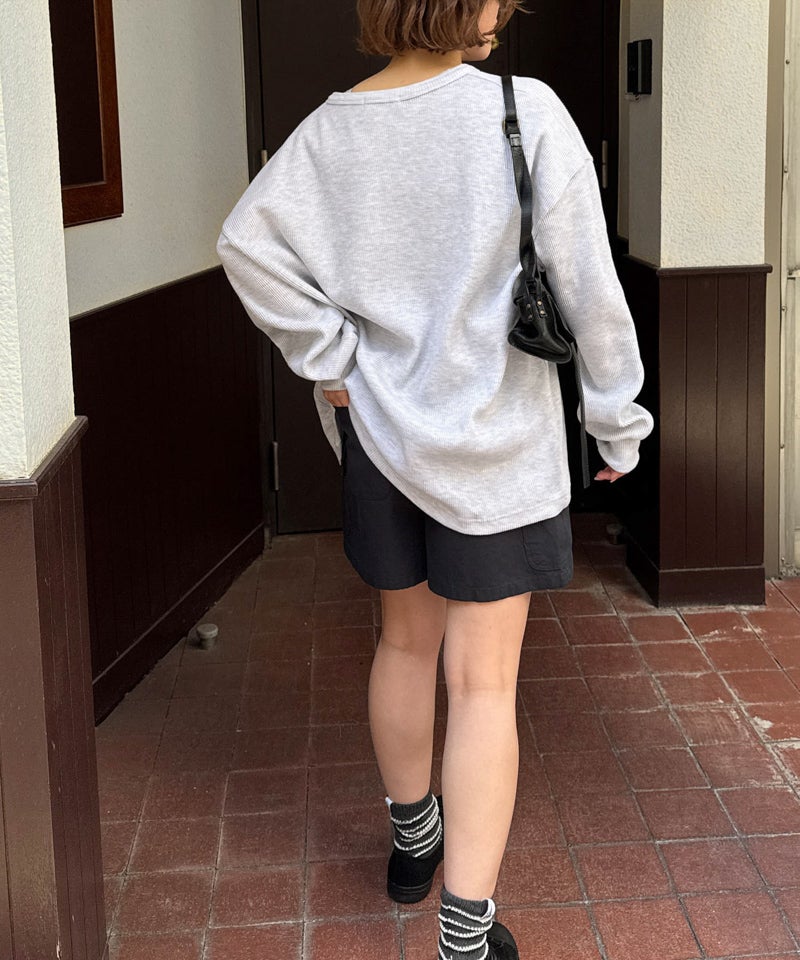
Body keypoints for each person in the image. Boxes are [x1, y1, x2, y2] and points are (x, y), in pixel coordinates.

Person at [217, 1, 653, 956]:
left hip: (384, 438)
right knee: (484, 684)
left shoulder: (330, 131)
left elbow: (245, 244)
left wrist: (333, 358)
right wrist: (616, 415)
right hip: (501, 444)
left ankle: (414, 843)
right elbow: (589, 284)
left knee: (405, 646)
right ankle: (466, 934)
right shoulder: (525, 110)